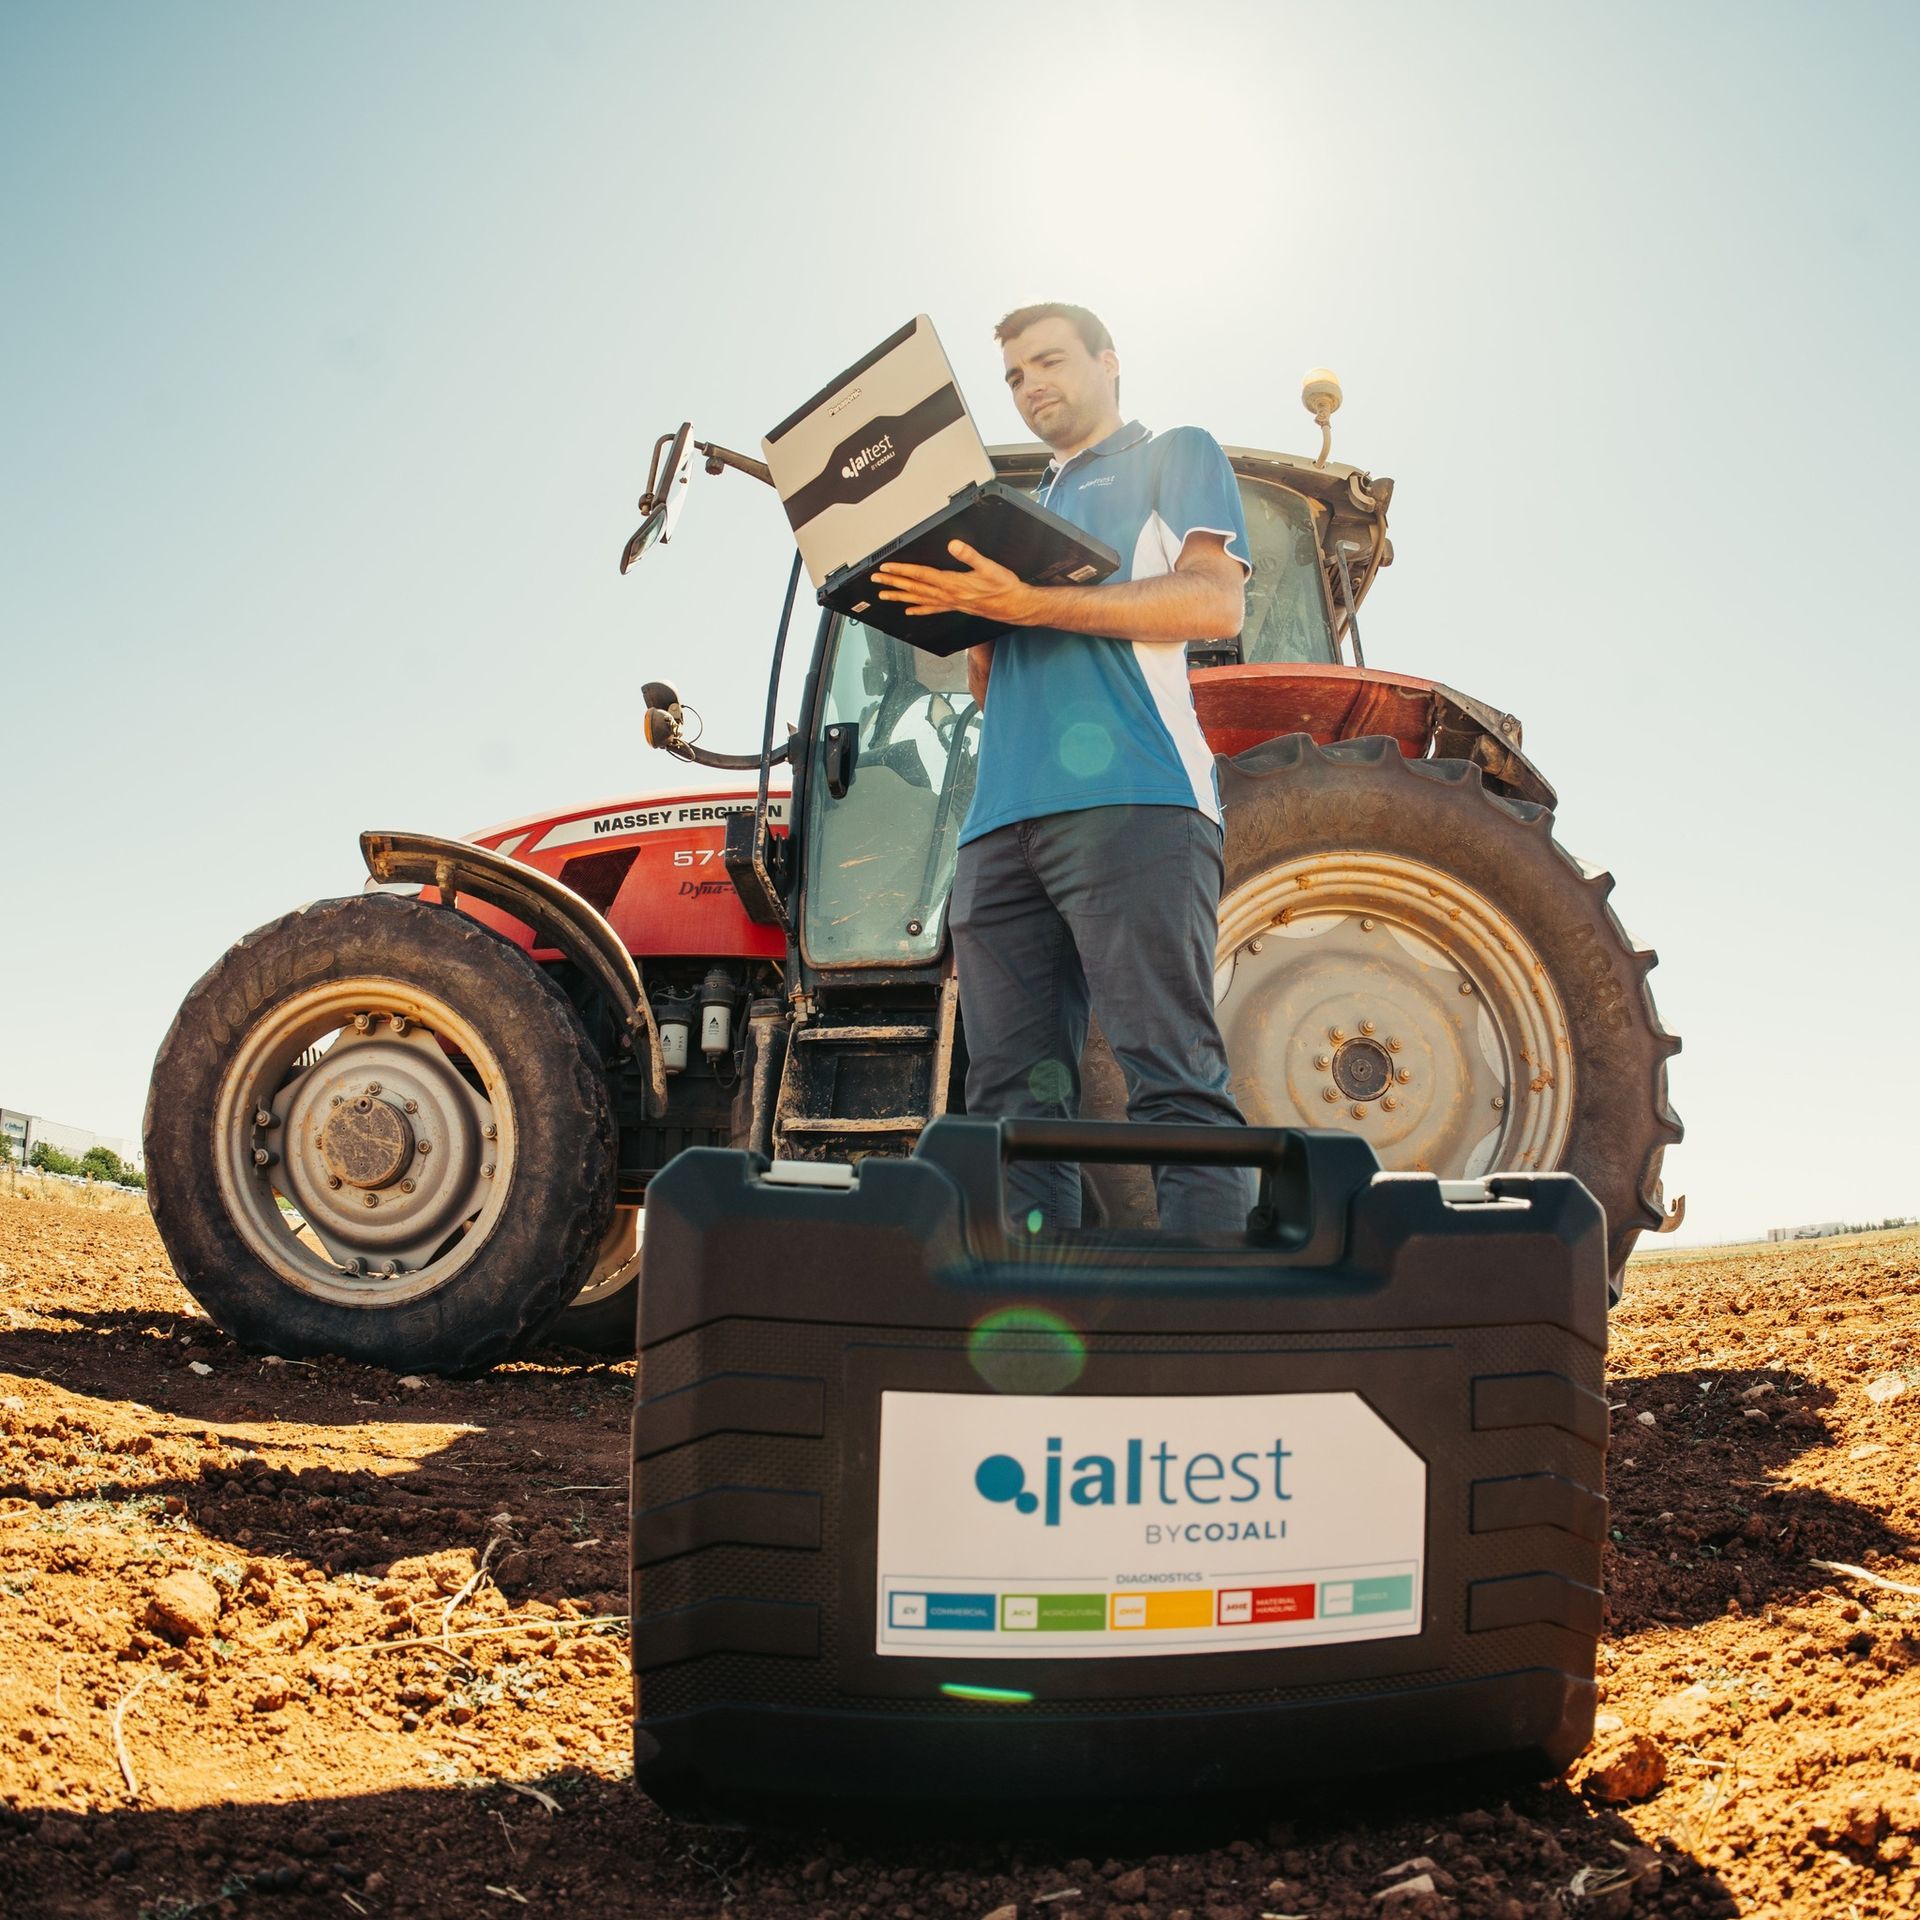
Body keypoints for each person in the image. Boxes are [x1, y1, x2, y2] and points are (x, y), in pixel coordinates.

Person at [871, 302, 1252, 1233]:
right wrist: (974, 619)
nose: (1030, 385)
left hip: (1134, 802)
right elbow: (992, 684)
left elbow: (1214, 605)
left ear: (1107, 362)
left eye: (1048, 361)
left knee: (1169, 1074)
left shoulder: (1173, 454)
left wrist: (1029, 603)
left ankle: (1214, 1310)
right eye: (1013, 375)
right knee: (1012, 1105)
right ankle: (1046, 1301)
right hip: (997, 828)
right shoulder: (1015, 514)